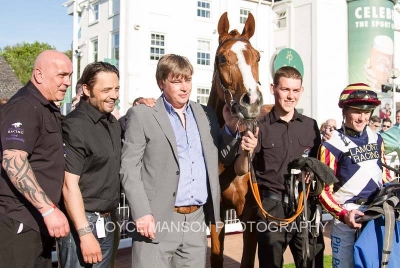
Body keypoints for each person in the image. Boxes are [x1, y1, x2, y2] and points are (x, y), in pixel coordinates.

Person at [120, 54, 241, 267]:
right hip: (155, 219)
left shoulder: (206, 114)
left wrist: (230, 128)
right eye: (176, 81)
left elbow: (224, 157)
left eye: (188, 80)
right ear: (161, 83)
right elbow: (129, 169)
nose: (184, 87)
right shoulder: (142, 115)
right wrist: (141, 213)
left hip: (196, 221)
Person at [239, 66, 324, 268]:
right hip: (271, 208)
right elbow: (240, 169)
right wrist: (245, 152)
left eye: (295, 90)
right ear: (273, 88)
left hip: (304, 207)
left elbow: (318, 165)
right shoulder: (259, 126)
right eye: (285, 89)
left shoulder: (311, 126)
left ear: (301, 91)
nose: (290, 96)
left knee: (312, 264)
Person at [0, 50, 71, 267]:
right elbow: (13, 161)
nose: (67, 82)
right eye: (61, 75)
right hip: (20, 222)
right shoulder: (24, 105)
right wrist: (48, 210)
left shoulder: (46, 107)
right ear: (39, 75)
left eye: (69, 76)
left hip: (37, 223)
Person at [318, 83, 392, 268]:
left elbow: (385, 176)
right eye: (357, 111)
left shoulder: (377, 139)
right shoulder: (330, 145)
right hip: (346, 220)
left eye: (367, 112)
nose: (362, 118)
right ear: (344, 111)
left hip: (376, 215)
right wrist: (343, 215)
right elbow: (323, 192)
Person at [57, 62, 122, 267]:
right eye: (106, 90)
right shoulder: (74, 125)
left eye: (117, 88)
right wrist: (85, 234)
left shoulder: (112, 123)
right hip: (82, 224)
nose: (114, 95)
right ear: (86, 89)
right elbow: (69, 186)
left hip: (108, 220)